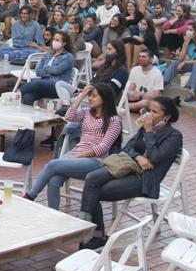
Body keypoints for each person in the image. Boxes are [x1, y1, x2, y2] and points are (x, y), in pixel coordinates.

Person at [77, 96, 184, 249]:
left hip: (146, 179)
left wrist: (149, 131)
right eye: (148, 110)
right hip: (127, 167)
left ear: (166, 117)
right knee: (92, 178)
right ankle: (89, 232)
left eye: (154, 112)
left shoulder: (174, 136)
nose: (148, 114)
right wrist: (139, 156)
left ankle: (92, 235)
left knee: (94, 192)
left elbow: (156, 156)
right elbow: (127, 148)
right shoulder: (144, 127)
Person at [24, 82, 123, 210]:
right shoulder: (86, 112)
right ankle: (52, 215)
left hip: (95, 160)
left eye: (94, 96)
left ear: (105, 98)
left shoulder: (114, 120)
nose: (91, 98)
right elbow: (68, 116)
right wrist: (81, 95)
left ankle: (30, 196)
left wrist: (78, 156)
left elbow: (103, 147)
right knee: (54, 181)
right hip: (76, 155)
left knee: (52, 164)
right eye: (90, 96)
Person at [20, 31, 75, 106]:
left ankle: (18, 93)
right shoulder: (48, 54)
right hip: (44, 85)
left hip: (58, 87)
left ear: (64, 43)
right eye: (54, 39)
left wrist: (46, 68)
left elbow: (57, 70)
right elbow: (38, 71)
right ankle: (31, 116)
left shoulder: (68, 57)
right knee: (28, 97)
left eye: (57, 40)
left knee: (37, 82)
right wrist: (50, 71)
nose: (54, 42)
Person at [126, 48, 164, 113]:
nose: (141, 58)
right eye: (139, 56)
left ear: (151, 59)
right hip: (135, 99)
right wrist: (131, 94)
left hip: (147, 101)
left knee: (145, 102)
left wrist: (141, 95)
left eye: (144, 57)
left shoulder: (157, 73)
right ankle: (139, 109)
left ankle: (125, 107)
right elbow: (130, 88)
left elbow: (156, 95)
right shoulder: (134, 70)